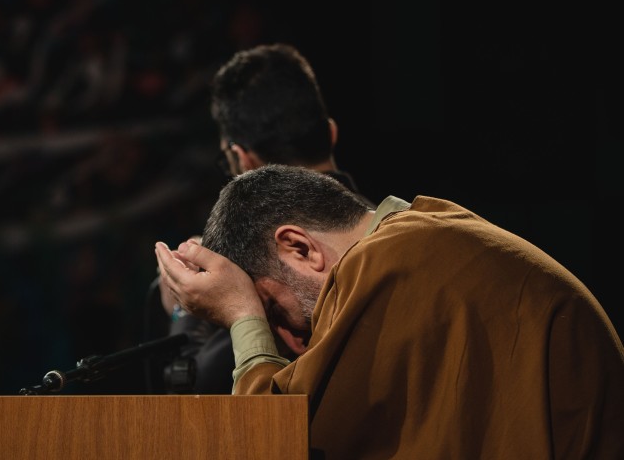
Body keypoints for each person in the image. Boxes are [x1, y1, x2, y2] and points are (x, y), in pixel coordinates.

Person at [156, 164, 624, 458]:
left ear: (300, 248)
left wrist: (242, 315)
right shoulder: (433, 229)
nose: (294, 343)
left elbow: (267, 439)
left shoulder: (385, 264)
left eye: (275, 312)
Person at [147, 43, 372, 394]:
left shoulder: (261, 264)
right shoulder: (391, 229)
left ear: (244, 161)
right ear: (330, 132)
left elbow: (202, 397)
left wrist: (185, 309)